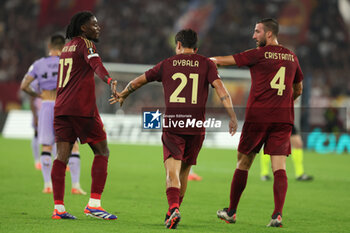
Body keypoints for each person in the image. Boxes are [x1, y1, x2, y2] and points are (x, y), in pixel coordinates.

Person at [110, 29, 238, 229]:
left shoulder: (167, 64)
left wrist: (124, 94)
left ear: (178, 45)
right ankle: (174, 210)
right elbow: (221, 90)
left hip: (174, 125)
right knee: (185, 172)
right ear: (196, 48)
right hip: (196, 127)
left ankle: (173, 208)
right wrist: (232, 115)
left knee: (172, 172)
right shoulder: (206, 64)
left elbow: (138, 81)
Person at [210, 18, 303, 227]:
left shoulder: (259, 54)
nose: (254, 36)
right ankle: (277, 214)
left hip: (258, 118)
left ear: (269, 34)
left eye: (257, 32)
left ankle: (231, 211)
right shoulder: (292, 57)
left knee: (243, 162)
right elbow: (298, 89)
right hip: (283, 119)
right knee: (279, 167)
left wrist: (206, 60)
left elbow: (226, 60)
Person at [52, 11, 118, 220]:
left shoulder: (67, 47)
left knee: (61, 157)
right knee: (102, 152)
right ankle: (94, 205)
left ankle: (59, 208)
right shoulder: (85, 43)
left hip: (61, 108)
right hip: (81, 109)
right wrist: (109, 81)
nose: (98, 28)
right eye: (94, 24)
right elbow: (96, 64)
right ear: (83, 27)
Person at [21, 35, 86, 195]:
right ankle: (76, 185)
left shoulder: (38, 64)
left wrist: (38, 95)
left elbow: (24, 86)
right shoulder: (68, 62)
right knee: (73, 145)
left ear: (49, 46)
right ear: (64, 47)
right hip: (65, 105)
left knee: (46, 146)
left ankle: (47, 184)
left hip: (46, 105)